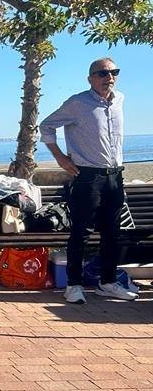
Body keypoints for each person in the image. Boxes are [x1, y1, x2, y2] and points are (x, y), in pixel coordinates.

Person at [39, 57, 136, 304]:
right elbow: (47, 126)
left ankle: (107, 282)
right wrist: (60, 158)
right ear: (90, 78)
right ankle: (73, 285)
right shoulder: (77, 103)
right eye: (103, 73)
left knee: (113, 233)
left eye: (114, 72)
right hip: (87, 177)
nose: (109, 78)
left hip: (114, 176)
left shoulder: (119, 100)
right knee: (81, 232)